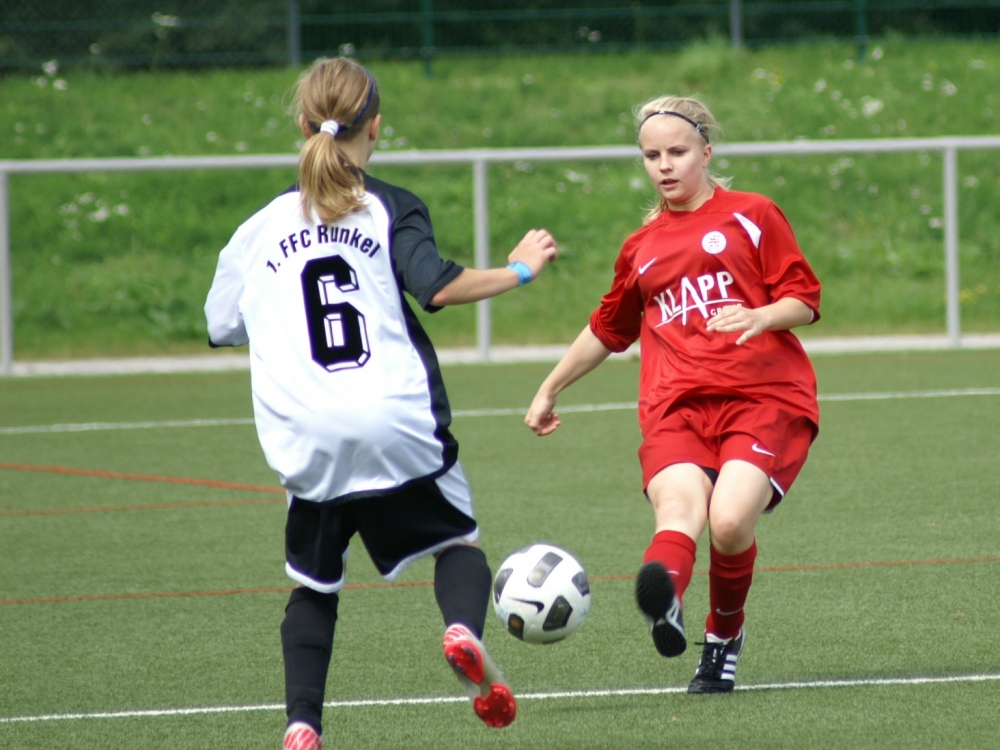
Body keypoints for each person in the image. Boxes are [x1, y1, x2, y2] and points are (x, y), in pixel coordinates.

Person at [205, 57, 557, 750]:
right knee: (457, 542)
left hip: (306, 435)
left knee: (314, 588)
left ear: (303, 124)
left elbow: (222, 325)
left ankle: (302, 725)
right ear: (376, 127)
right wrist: (520, 268)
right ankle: (461, 630)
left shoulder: (258, 228)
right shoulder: (388, 205)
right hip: (394, 418)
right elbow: (437, 285)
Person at [525, 95, 820, 694]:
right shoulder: (641, 247)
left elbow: (805, 299)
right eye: (651, 155)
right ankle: (666, 601)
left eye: (677, 152)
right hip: (675, 406)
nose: (664, 165)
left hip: (761, 396)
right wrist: (549, 388)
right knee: (680, 512)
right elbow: (608, 329)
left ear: (706, 153)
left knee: (729, 521)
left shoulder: (753, 214)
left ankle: (723, 637)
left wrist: (761, 316)